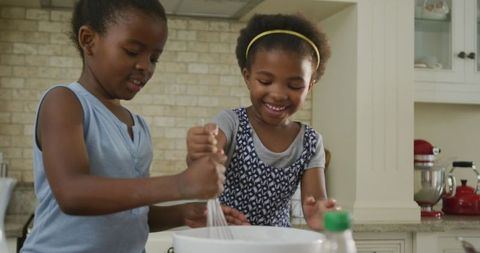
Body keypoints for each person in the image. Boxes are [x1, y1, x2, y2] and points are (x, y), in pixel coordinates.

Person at [21, 0, 247, 252]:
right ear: (88, 40)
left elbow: (132, 214)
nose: (145, 67)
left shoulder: (137, 126)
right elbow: (72, 193)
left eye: (154, 58)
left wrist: (184, 213)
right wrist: (180, 184)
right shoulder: (65, 101)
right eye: (131, 51)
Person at [187, 13, 338, 231]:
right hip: (226, 242)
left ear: (310, 86)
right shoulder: (231, 122)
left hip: (277, 245)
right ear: (247, 77)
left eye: (294, 85)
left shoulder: (311, 142)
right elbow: (202, 166)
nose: (278, 94)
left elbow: (316, 204)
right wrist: (200, 153)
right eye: (265, 81)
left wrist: (324, 217)